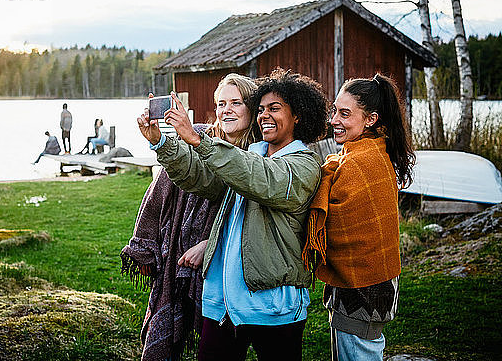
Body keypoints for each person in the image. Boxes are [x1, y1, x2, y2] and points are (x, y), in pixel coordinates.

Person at [137, 68, 329, 360]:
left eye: (274, 109)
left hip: (273, 307)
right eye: (261, 109)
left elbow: (260, 178)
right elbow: (201, 177)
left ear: (298, 116)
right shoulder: (251, 155)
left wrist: (199, 140)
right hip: (224, 304)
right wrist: (162, 143)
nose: (264, 115)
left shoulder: (303, 165)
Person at [121, 73, 259, 361]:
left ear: (253, 107)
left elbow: (249, 212)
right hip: (179, 246)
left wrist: (211, 243)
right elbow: (161, 188)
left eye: (236, 102)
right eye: (221, 103)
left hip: (230, 264)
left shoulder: (258, 155)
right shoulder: (198, 134)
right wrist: (159, 140)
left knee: (223, 342)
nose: (226, 110)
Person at [302, 73, 415, 361]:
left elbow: (344, 230)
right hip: (374, 286)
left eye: (344, 113)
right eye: (334, 111)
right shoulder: (371, 153)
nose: (333, 120)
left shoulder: (358, 164)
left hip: (361, 292)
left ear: (370, 119)